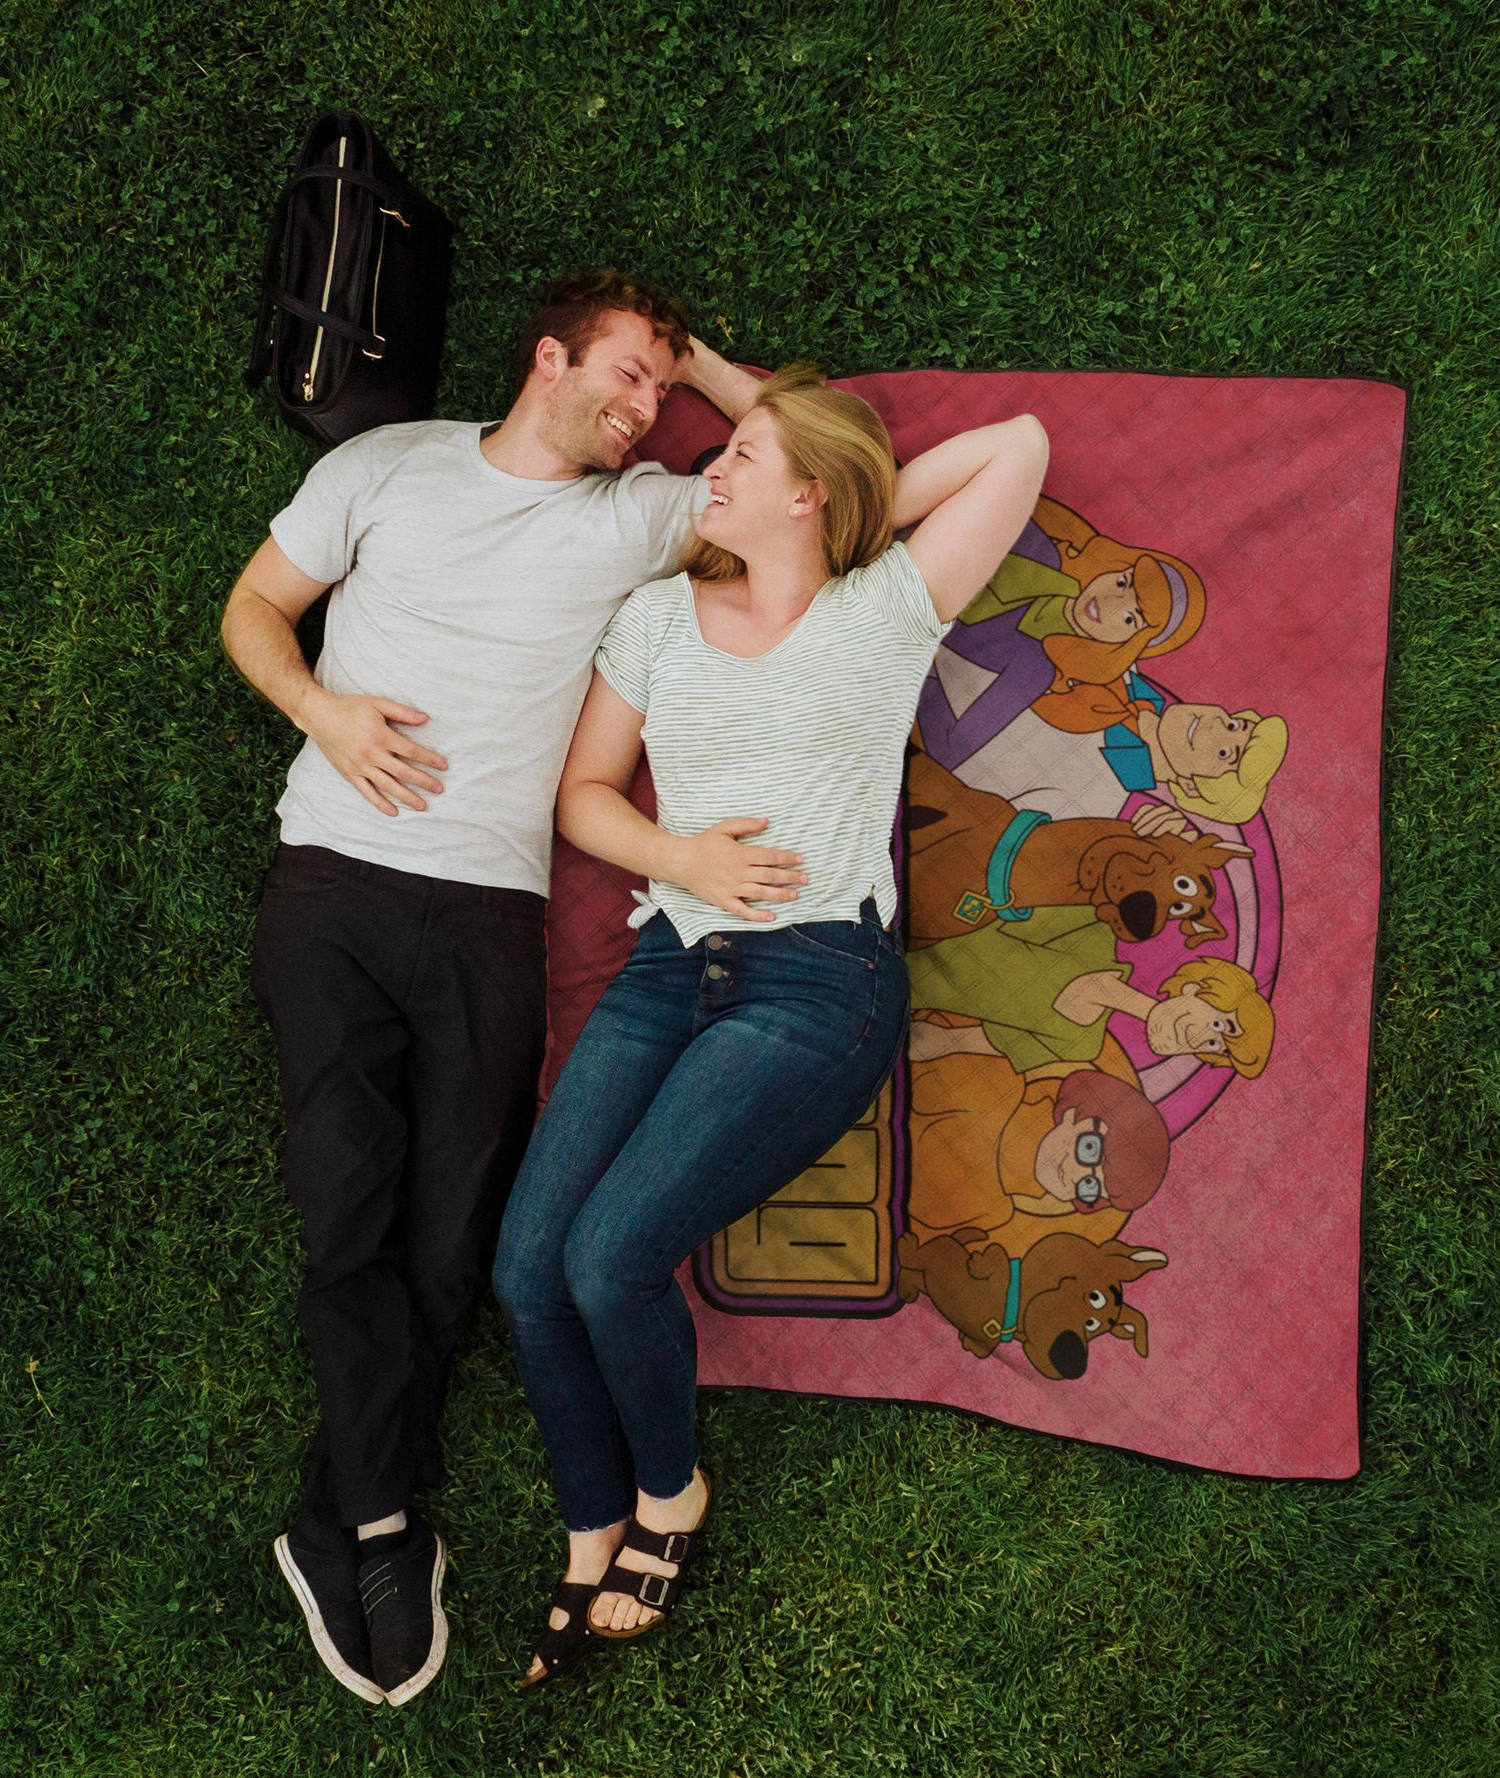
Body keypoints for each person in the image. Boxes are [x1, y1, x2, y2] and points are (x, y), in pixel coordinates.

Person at [219, 269, 762, 1707]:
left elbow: (817, 461)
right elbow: (256, 606)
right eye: (630, 374)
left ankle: (340, 1513)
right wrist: (323, 709)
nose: (648, 411)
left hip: (487, 915)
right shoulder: (384, 467)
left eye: (663, 389)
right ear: (548, 358)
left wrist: (709, 365)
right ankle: (380, 1530)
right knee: (348, 1209)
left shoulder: (636, 516)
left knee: (454, 1241)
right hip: (334, 884)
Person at [490, 365, 1049, 1687]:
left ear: (809, 493)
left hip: (818, 984)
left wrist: (837, 510)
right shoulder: (656, 618)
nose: (712, 466)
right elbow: (586, 794)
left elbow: (1019, 445)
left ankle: (669, 1494)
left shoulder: (884, 605)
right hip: (669, 967)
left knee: (611, 1257)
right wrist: (681, 855)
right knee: (527, 1269)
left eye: (742, 454)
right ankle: (590, 1521)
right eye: (720, 449)